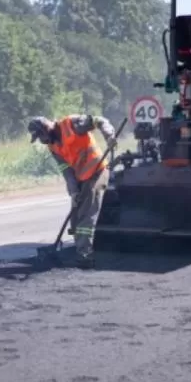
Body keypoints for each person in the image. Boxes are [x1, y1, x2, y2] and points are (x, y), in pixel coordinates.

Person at [28, 114, 117, 269]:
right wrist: (74, 192)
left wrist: (109, 136)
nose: (42, 141)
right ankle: (80, 249)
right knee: (75, 219)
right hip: (81, 177)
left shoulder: (72, 124)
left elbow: (100, 120)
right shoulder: (53, 146)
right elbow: (67, 172)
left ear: (46, 128)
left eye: (40, 136)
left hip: (97, 171)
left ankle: (85, 255)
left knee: (86, 214)